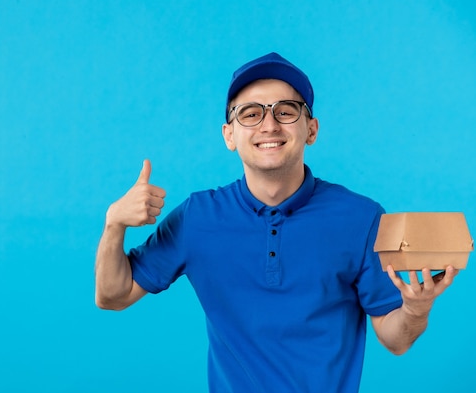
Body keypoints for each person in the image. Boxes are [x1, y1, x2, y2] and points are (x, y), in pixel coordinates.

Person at [94, 52, 458, 392]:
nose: (268, 124)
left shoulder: (361, 217)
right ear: (230, 135)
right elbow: (113, 296)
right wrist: (114, 225)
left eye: (285, 111)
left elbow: (395, 340)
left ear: (311, 129)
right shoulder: (197, 218)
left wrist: (415, 309)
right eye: (250, 113)